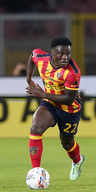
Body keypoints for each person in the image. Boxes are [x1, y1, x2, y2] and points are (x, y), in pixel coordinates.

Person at [25, 36, 85, 181]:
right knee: (35, 128)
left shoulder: (72, 72)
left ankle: (77, 160)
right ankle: (36, 172)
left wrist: (42, 93)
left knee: (66, 143)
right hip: (50, 103)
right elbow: (32, 56)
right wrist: (28, 78)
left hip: (69, 108)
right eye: (61, 54)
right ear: (52, 52)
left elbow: (69, 98)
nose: (65, 57)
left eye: (68, 54)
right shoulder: (41, 58)